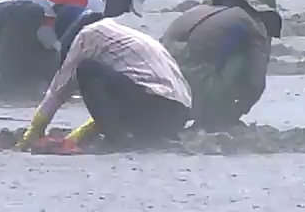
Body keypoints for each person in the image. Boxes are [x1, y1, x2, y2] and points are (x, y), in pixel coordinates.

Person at [0, 0, 155, 99]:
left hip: (2, 29)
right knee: (31, 15)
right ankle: (5, 83)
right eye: (126, 4)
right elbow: (71, 46)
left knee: (50, 65)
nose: (122, 11)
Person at [16, 18, 192, 151]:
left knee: (86, 69)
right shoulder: (124, 38)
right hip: (176, 114)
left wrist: (33, 132)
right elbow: (115, 102)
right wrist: (76, 136)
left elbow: (58, 91)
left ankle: (116, 140)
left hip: (154, 104)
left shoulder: (87, 35)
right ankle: (139, 135)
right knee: (104, 82)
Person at [160, 0, 281, 131]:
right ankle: (214, 116)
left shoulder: (198, 11)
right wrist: (234, 114)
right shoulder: (252, 25)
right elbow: (256, 85)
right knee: (241, 58)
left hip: (162, 89)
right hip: (195, 92)